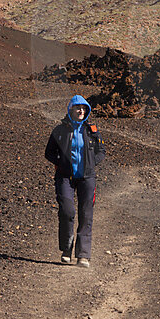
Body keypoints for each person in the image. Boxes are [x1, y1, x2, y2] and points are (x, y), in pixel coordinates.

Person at [44, 94, 105, 267]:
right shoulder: (59, 130)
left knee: (86, 214)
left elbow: (101, 151)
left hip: (87, 177)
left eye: (84, 108)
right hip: (65, 177)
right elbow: (49, 152)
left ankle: (83, 255)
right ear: (71, 109)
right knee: (67, 210)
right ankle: (66, 249)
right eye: (78, 107)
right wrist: (61, 163)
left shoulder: (91, 130)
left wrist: (92, 164)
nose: (81, 110)